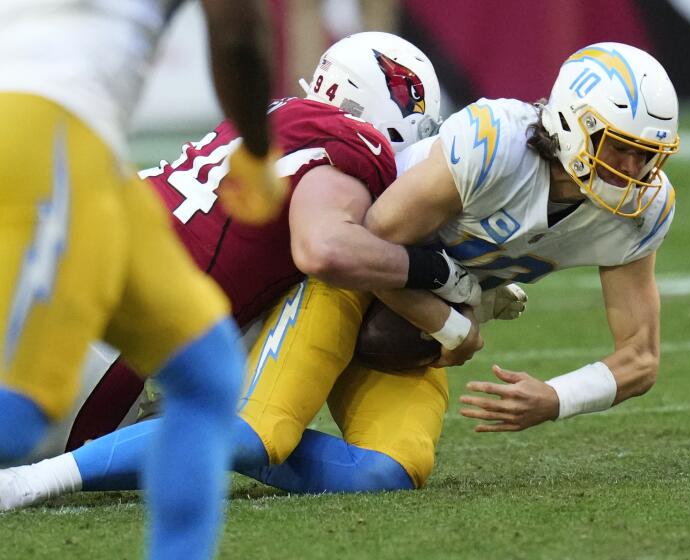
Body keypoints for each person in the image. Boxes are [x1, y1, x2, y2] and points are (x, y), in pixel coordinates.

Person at [0, 31, 485, 506]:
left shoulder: (269, 117)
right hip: (112, 335)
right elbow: (325, 248)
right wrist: (435, 272)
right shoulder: (353, 144)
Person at [0, 1, 284, 558]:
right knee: (16, 420)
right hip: (47, 128)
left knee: (206, 373)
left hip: (84, 148)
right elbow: (238, 31)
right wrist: (256, 148)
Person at [365, 41, 680, 433]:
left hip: (409, 305)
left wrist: (556, 397)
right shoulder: (496, 146)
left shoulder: (642, 209)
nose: (633, 169)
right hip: (326, 272)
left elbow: (641, 357)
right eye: (619, 148)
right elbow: (368, 244)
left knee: (396, 468)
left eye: (646, 153)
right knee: (270, 433)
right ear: (573, 123)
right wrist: (454, 319)